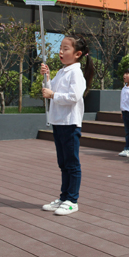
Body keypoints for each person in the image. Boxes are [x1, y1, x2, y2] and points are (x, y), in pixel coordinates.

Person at [40, 35, 95, 216]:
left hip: (70, 123)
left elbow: (74, 97)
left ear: (78, 54)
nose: (61, 52)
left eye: (65, 48)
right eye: (61, 48)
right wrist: (46, 76)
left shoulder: (76, 73)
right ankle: (64, 197)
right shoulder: (63, 71)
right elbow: (49, 89)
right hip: (59, 121)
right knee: (63, 163)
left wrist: (53, 94)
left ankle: (72, 200)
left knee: (72, 163)